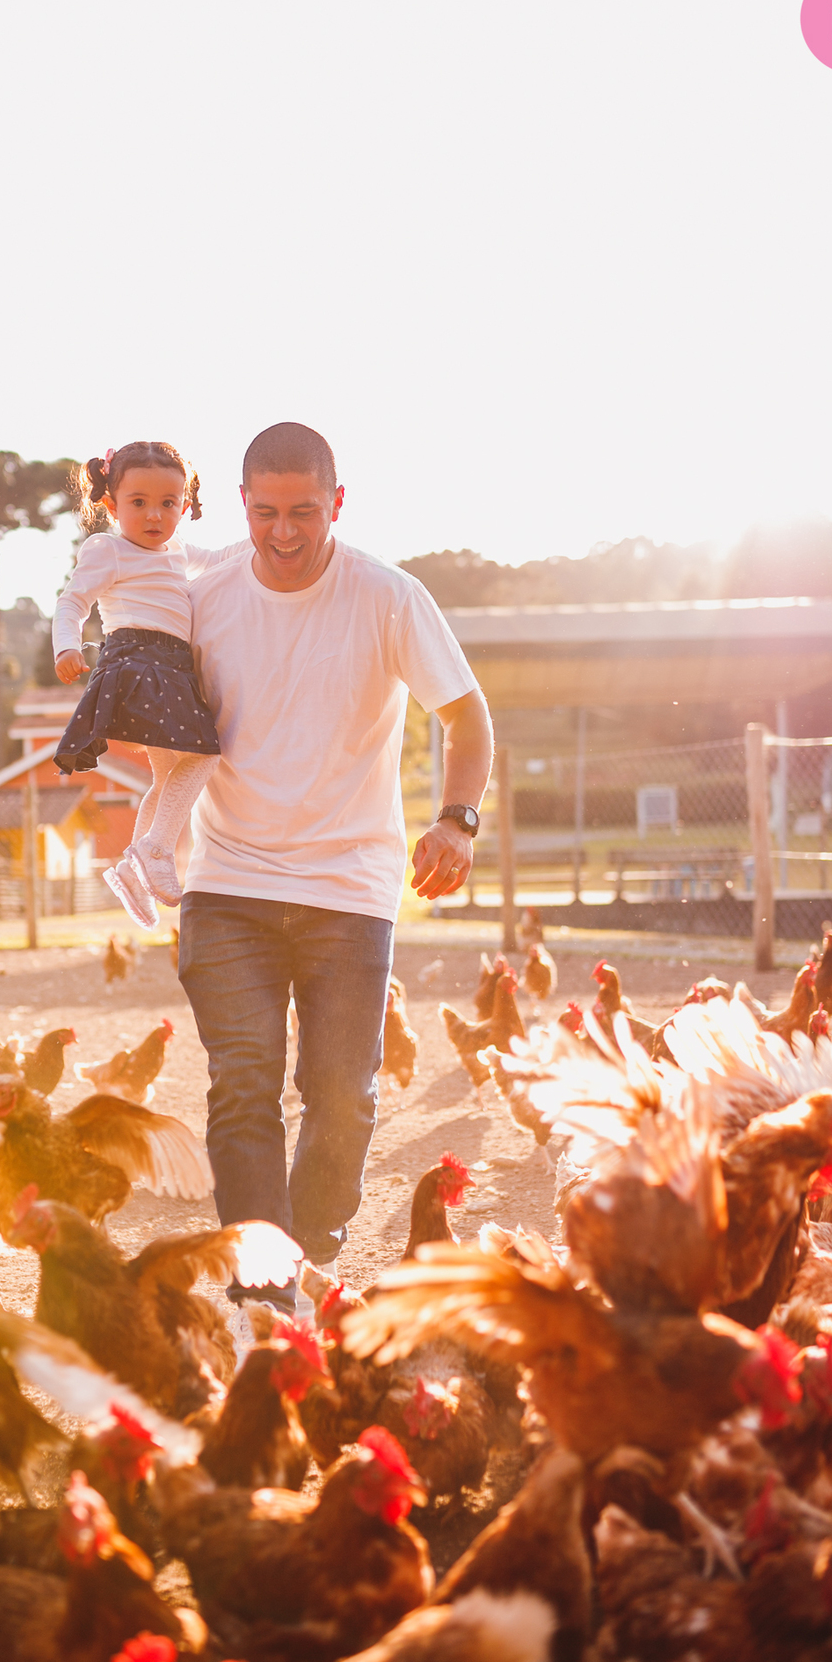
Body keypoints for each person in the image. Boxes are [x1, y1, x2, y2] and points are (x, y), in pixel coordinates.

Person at [179, 422, 493, 1312]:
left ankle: (310, 1251)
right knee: (243, 1088)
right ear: (242, 504)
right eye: (266, 513)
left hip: (348, 887)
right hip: (228, 880)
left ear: (338, 503)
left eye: (304, 513)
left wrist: (457, 821)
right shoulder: (202, 596)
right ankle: (262, 1285)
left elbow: (466, 716)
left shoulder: (388, 598)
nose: (284, 533)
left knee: (341, 1097)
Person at [52, 441, 244, 929]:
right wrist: (66, 647)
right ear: (112, 505)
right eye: (138, 502)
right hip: (138, 662)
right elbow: (72, 602)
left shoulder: (178, 551)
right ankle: (155, 849)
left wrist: (265, 533)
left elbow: (223, 557)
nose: (154, 515)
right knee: (204, 756)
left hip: (173, 669)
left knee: (167, 776)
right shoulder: (109, 549)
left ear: (184, 505)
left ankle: (135, 871)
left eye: (168, 503)